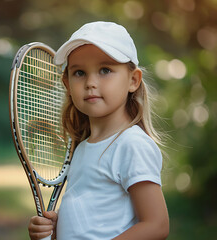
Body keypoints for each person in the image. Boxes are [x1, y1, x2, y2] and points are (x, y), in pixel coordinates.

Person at [28, 21, 169, 240]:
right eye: (79, 73)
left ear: (133, 80)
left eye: (105, 70)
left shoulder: (131, 144)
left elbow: (156, 226)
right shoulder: (83, 148)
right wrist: (56, 229)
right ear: (66, 84)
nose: (90, 82)